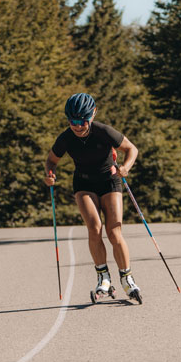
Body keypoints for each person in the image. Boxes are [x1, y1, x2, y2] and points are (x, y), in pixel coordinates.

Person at [43, 93, 142, 301]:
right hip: (84, 183)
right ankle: (103, 278)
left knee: (114, 231)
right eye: (72, 121)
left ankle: (127, 278)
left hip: (110, 180)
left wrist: (125, 167)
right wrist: (50, 175)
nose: (77, 126)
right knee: (94, 227)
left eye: (82, 121)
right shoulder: (66, 138)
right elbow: (51, 161)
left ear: (93, 114)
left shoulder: (103, 131)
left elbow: (131, 149)